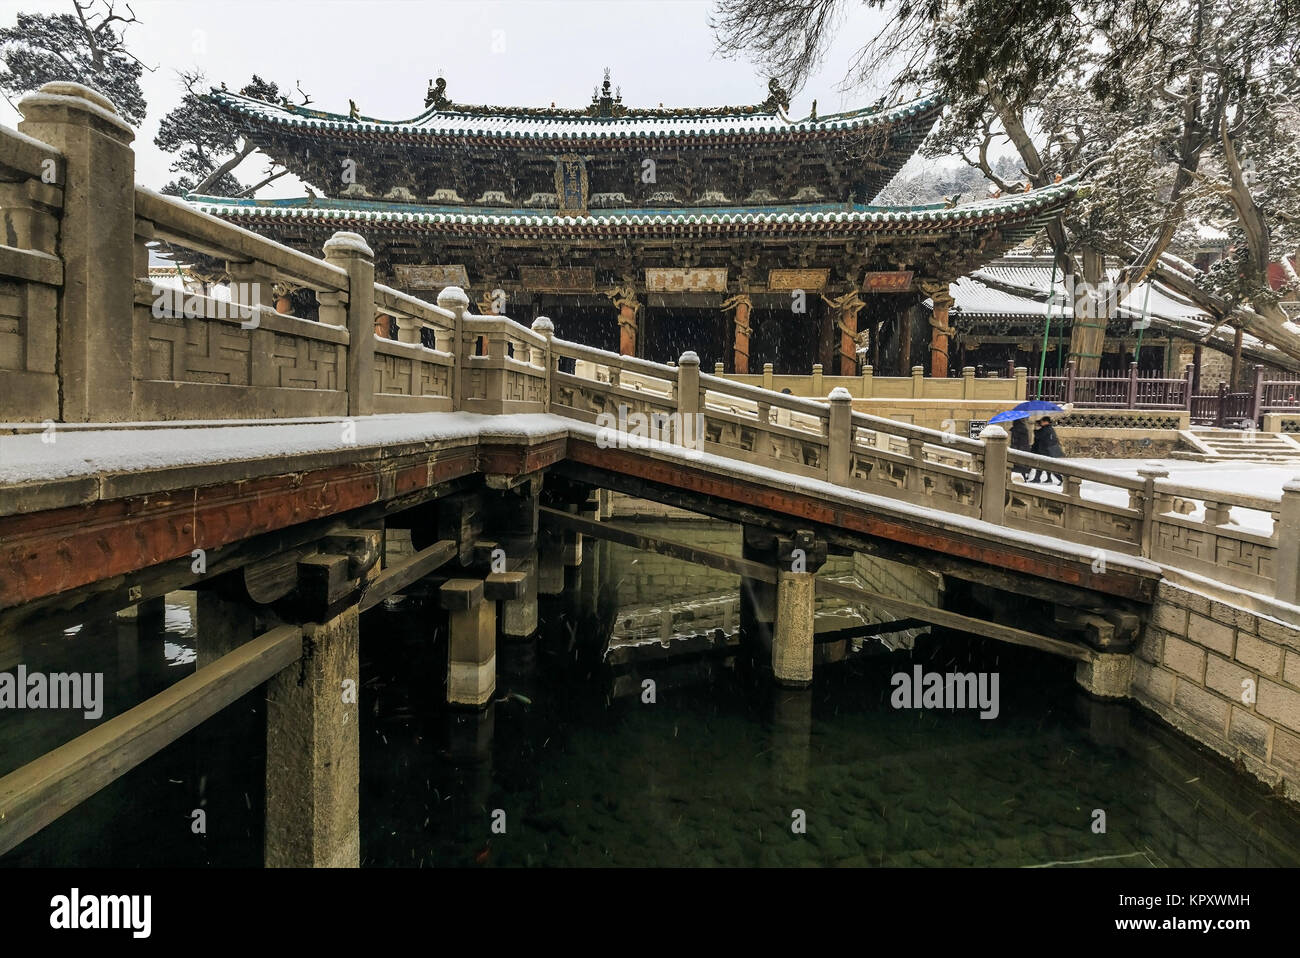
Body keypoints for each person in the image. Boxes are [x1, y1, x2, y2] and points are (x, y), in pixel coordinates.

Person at [1029, 416, 1064, 483]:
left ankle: (1062, 480)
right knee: (1044, 465)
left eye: (1042, 422)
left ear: (1046, 422)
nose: (1041, 423)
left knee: (1046, 466)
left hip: (1046, 451)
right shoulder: (1048, 428)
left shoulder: (1046, 429)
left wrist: (1035, 430)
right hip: (1047, 450)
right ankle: (1047, 478)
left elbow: (1039, 436)